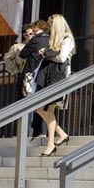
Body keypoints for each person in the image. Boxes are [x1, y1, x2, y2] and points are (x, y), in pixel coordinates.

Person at [34, 14, 75, 156]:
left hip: (58, 78)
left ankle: (51, 144)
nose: (49, 28)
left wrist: (46, 52)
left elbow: (62, 58)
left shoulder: (67, 39)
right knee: (41, 109)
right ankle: (61, 134)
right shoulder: (55, 40)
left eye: (51, 25)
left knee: (47, 110)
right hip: (50, 77)